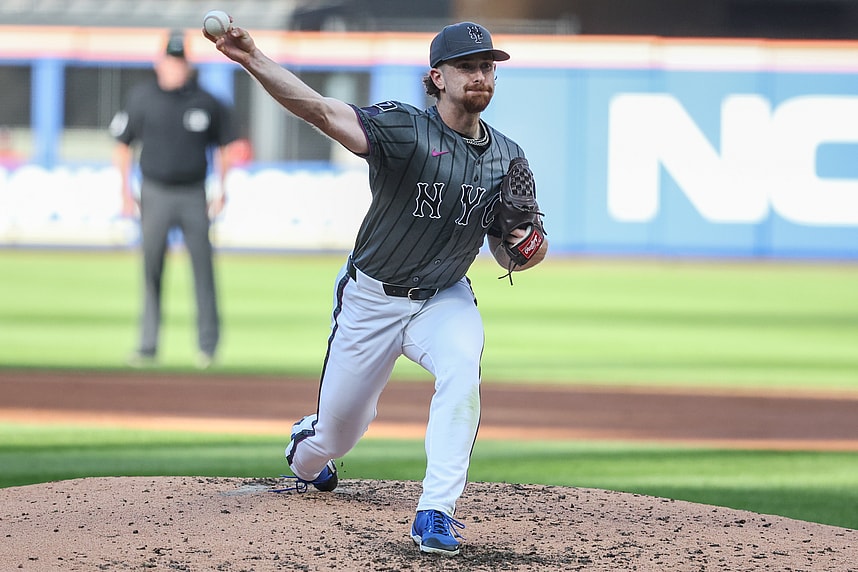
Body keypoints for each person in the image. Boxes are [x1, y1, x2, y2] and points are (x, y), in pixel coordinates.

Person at [205, 20, 548, 556]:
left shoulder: (508, 156)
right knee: (336, 437)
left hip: (443, 296)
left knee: (462, 371)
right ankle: (308, 444)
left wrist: (527, 248)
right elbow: (320, 110)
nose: (481, 75)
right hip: (372, 298)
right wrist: (252, 58)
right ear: (437, 77)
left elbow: (513, 251)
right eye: (468, 66)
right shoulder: (403, 128)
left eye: (488, 66)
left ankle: (436, 512)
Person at [111, 31, 237, 369]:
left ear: (188, 65)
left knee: (203, 269)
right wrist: (125, 191)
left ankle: (207, 347)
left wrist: (222, 188)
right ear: (159, 63)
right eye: (170, 61)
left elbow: (225, 146)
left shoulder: (206, 101)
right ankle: (147, 345)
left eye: (180, 62)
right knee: (151, 269)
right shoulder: (141, 98)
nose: (175, 68)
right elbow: (122, 144)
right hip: (154, 192)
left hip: (194, 193)